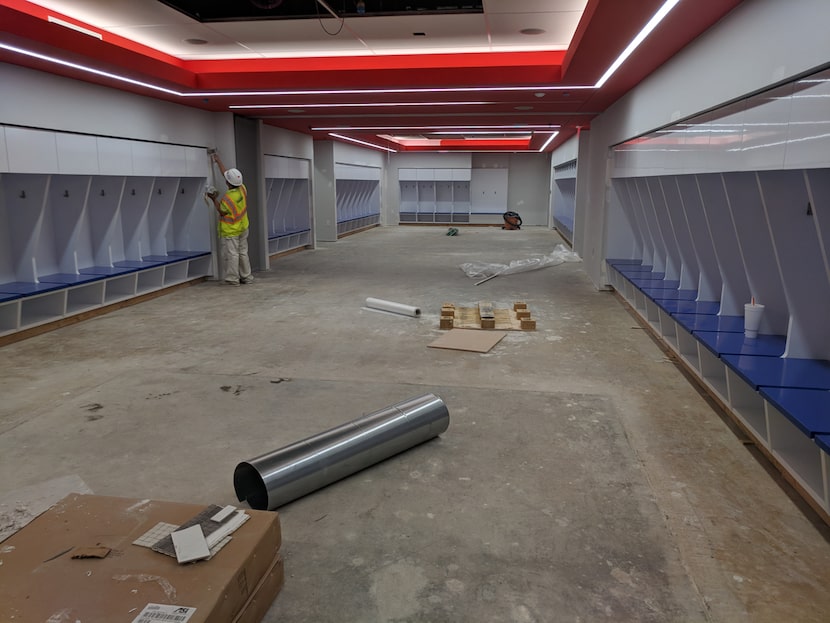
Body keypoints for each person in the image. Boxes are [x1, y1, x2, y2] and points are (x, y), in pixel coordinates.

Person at [206, 151, 253, 285]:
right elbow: (227, 174)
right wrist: (218, 161)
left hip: (232, 230)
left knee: (232, 255)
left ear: (228, 183)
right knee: (243, 252)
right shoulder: (242, 188)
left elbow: (222, 212)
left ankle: (233, 278)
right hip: (243, 227)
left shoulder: (227, 198)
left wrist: (213, 199)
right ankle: (246, 276)